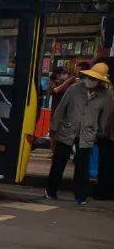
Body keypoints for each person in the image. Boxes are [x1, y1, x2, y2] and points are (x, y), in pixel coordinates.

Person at [46, 62, 111, 204]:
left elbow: (105, 117)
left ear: (101, 81)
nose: (93, 81)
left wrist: (99, 134)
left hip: (87, 134)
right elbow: (61, 109)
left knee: (82, 166)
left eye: (96, 80)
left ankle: (81, 195)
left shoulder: (105, 95)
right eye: (92, 78)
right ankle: (51, 190)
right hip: (67, 130)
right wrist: (53, 129)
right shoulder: (74, 89)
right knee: (59, 162)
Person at [95, 72, 114, 200]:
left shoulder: (109, 92)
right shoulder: (109, 92)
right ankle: (104, 191)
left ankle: (103, 191)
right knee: (107, 165)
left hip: (107, 135)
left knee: (106, 165)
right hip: (107, 135)